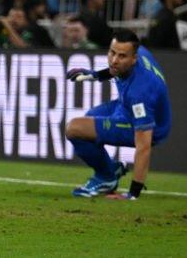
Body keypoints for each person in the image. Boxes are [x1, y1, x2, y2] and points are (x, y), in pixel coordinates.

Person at [64, 29, 172, 199]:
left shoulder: (139, 93)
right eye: (112, 53)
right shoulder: (138, 52)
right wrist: (93, 75)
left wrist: (132, 194)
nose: (114, 60)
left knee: (74, 129)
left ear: (133, 58)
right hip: (124, 107)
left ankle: (106, 178)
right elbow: (115, 69)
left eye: (121, 56)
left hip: (144, 123)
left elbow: (144, 146)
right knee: (87, 120)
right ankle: (110, 169)